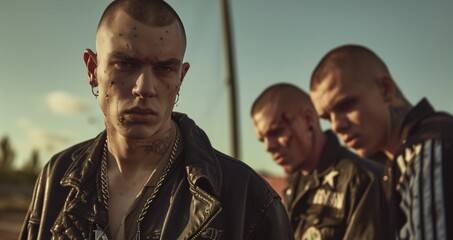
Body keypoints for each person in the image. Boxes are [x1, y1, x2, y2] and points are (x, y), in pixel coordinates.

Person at [19, 1, 294, 239]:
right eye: (125, 64)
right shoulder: (58, 177)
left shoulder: (247, 197)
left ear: (180, 78)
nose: (145, 88)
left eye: (164, 68)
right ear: (93, 69)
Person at [310, 44, 453, 239]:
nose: (336, 126)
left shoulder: (425, 150)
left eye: (346, 104)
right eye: (327, 117)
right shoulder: (400, 160)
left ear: (386, 89)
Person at [250, 83, 387, 239]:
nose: (269, 146)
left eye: (276, 131)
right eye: (263, 140)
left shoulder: (360, 179)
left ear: (308, 119)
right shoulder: (294, 183)